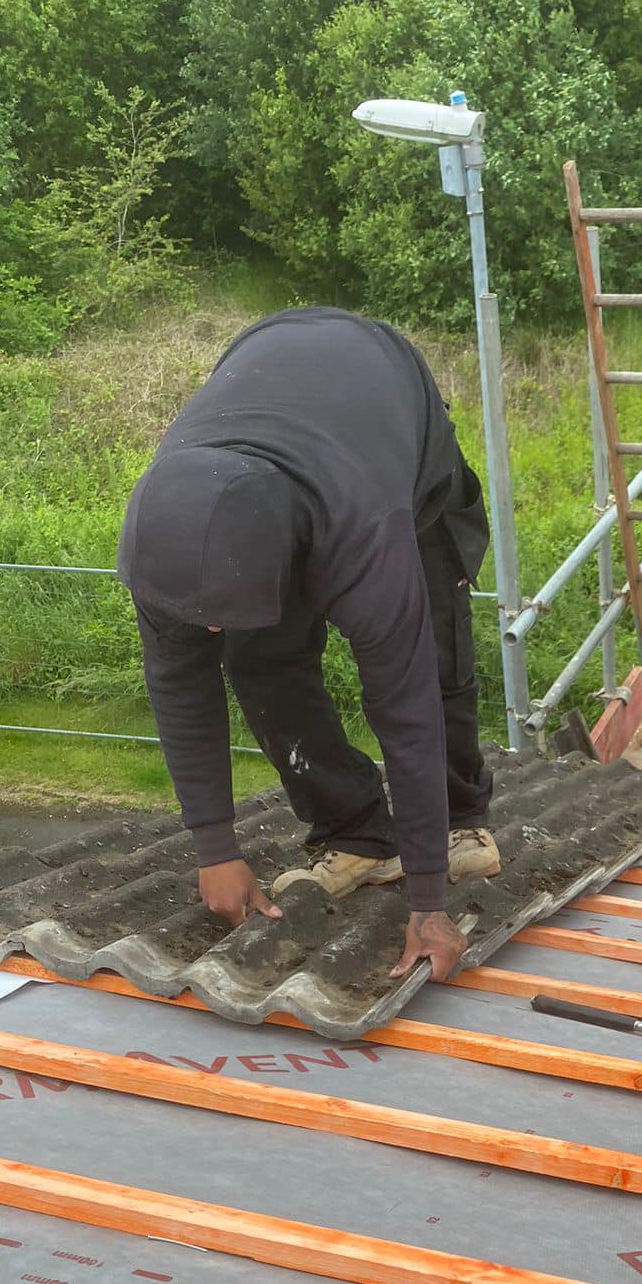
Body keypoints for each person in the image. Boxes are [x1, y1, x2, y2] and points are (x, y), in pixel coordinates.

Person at [117, 307, 497, 983]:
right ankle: (355, 829)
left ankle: (460, 818)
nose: (205, 630)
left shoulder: (364, 531)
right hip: (270, 382)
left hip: (391, 414)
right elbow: (180, 688)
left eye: (219, 614)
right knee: (258, 658)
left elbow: (403, 706)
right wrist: (215, 849)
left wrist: (429, 904)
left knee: (434, 655)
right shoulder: (162, 531)